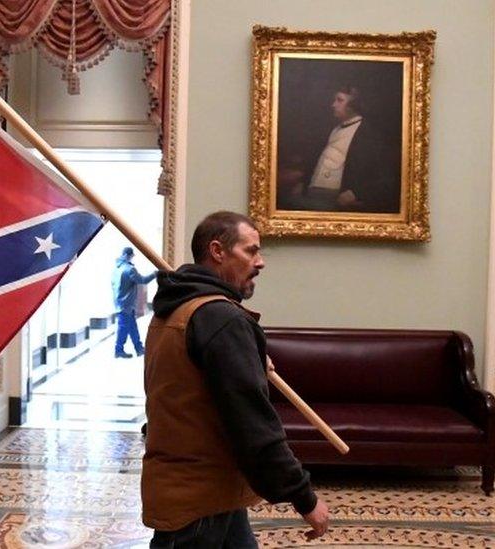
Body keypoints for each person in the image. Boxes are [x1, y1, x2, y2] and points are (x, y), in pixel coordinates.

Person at [141, 211, 329, 547]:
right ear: (218, 251)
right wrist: (304, 498)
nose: (260, 262)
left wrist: (248, 360)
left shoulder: (176, 311)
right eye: (251, 251)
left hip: (206, 494)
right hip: (200, 504)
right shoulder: (220, 319)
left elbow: (190, 389)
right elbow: (253, 423)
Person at [283, 86, 400, 213]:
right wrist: (303, 182)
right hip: (311, 194)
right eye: (335, 100)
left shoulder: (369, 135)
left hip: (334, 200)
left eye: (340, 100)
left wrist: (357, 193)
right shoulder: (333, 129)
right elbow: (316, 160)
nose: (333, 105)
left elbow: (385, 179)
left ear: (353, 104)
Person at [112, 247, 156, 358]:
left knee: (132, 327)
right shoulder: (129, 269)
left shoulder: (117, 268)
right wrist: (154, 274)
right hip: (126, 304)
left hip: (120, 302)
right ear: (129, 255)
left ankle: (139, 348)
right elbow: (142, 280)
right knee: (123, 328)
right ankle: (118, 350)